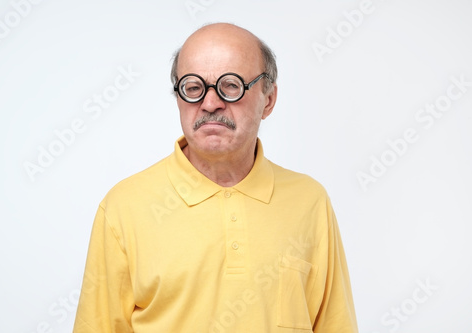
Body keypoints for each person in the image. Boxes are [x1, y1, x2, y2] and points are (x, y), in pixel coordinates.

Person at [73, 23, 358, 333]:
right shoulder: (123, 207)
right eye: (193, 87)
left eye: (231, 85)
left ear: (269, 99)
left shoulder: (309, 201)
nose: (210, 103)